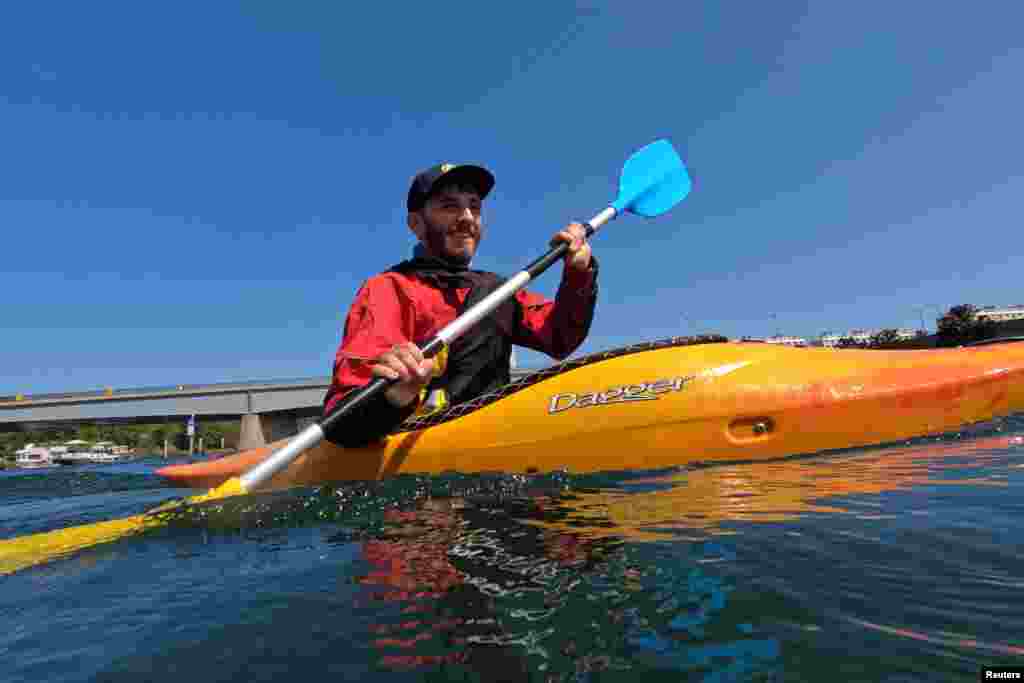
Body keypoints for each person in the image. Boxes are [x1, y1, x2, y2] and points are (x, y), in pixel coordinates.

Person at [322, 162, 598, 447]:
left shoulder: (498, 290)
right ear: (416, 224)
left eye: (475, 207)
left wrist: (578, 273)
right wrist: (395, 394)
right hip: (416, 441)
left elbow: (560, 337)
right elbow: (344, 418)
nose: (467, 217)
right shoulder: (389, 288)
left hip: (492, 438)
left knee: (490, 292)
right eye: (449, 206)